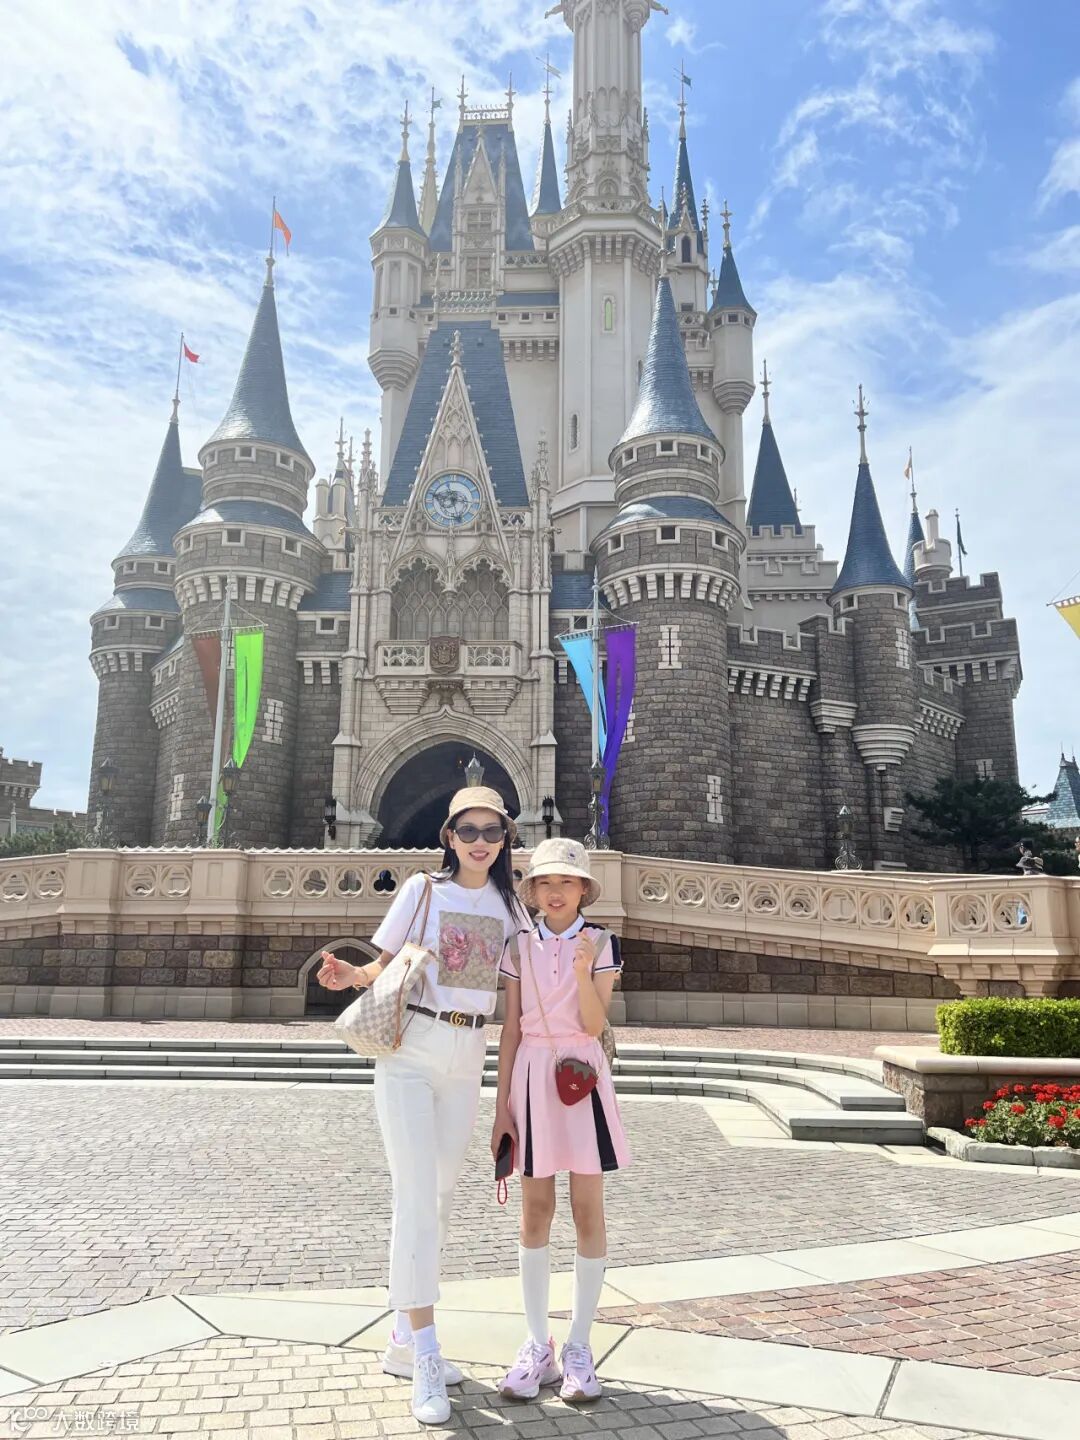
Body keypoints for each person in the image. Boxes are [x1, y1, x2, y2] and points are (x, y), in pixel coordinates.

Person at [317, 786, 527, 1425]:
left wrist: (509, 1102)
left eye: (492, 831)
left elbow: (521, 1001)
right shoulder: (422, 890)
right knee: (414, 1196)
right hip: (411, 1047)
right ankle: (428, 1351)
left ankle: (403, 1340)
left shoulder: (510, 907)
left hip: (468, 1054)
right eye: (469, 830)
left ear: (505, 839)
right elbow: (384, 966)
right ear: (449, 836)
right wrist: (352, 977)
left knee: (436, 1197)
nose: (480, 842)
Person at [491, 837, 630, 1405]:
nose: (555, 892)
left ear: (582, 889)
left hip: (582, 1075)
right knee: (535, 1211)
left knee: (587, 1209)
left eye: (566, 881)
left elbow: (595, 1024)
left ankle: (578, 1345)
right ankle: (536, 1344)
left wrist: (580, 970)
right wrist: (501, 1107)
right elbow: (510, 1029)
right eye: (545, 882)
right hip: (530, 1077)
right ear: (532, 890)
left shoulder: (601, 942)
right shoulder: (517, 945)